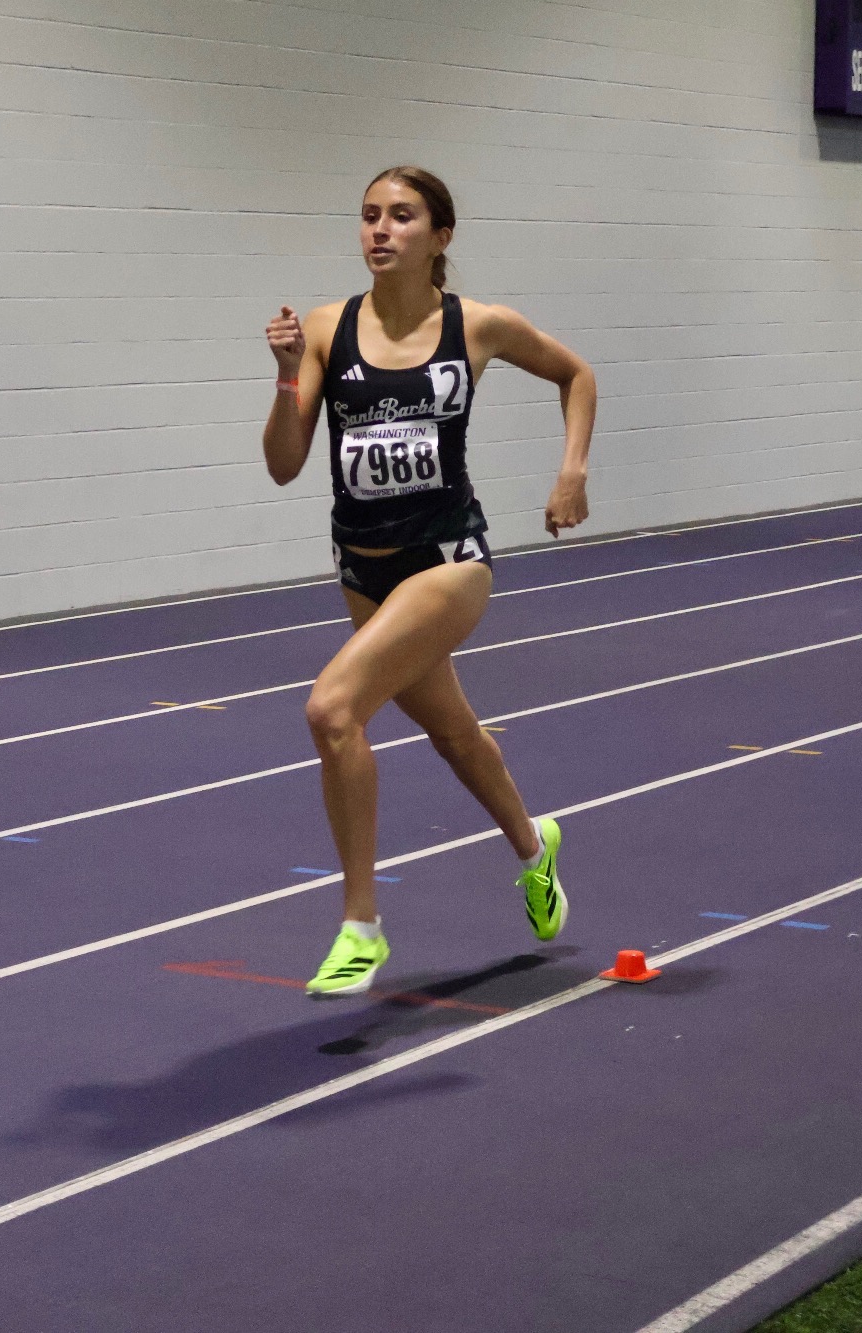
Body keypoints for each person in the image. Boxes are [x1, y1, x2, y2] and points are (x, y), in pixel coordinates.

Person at [260, 165, 597, 996]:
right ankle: (533, 846)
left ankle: (360, 923)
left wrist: (571, 472)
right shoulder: (327, 328)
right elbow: (282, 466)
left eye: (401, 216)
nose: (380, 230)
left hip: (449, 561)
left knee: (332, 709)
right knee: (451, 733)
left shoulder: (477, 326)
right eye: (369, 216)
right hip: (362, 568)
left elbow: (577, 375)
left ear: (439, 237)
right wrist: (279, 376)